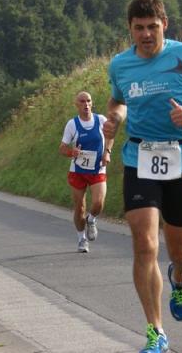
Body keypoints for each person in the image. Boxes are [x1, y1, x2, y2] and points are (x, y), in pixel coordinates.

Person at [102, 0, 182, 353]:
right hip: (139, 157)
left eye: (152, 27)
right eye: (139, 28)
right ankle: (155, 331)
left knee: (179, 250)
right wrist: (115, 118)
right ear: (130, 29)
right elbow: (118, 101)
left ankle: (180, 277)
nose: (146, 34)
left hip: (181, 159)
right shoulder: (120, 65)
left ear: (165, 25)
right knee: (145, 244)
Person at [59, 91, 114, 253]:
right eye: (82, 101)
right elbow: (62, 148)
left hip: (97, 169)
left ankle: (92, 219)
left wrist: (107, 152)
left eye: (88, 101)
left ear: (92, 103)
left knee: (98, 203)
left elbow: (110, 136)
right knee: (80, 208)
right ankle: (82, 239)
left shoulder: (101, 120)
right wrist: (72, 152)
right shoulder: (72, 124)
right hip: (78, 171)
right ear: (77, 105)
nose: (86, 104)